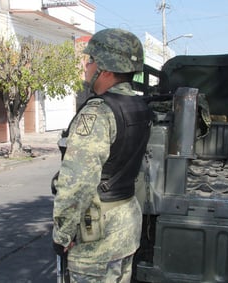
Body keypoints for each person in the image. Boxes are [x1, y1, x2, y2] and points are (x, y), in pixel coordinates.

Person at [52, 28, 154, 282]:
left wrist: (62, 234)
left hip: (97, 237)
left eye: (90, 60)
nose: (86, 66)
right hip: (125, 226)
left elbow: (78, 183)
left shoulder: (98, 112)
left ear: (106, 69)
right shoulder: (140, 107)